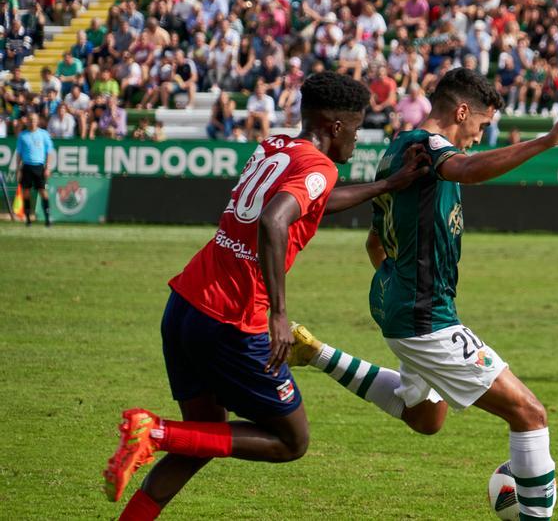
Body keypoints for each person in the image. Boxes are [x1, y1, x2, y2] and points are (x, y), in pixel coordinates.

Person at [101, 72, 434, 519]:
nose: (357, 140)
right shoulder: (320, 165)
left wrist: (386, 187)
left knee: (201, 439)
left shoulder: (277, 146)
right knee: (291, 441)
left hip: (185, 304)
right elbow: (276, 219)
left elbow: (312, 201)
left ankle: (155, 450)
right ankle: (155, 431)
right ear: (336, 126)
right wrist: (279, 313)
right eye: (355, 130)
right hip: (232, 318)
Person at [285, 68, 558, 521]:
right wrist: (546, 141)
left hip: (398, 306)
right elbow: (466, 169)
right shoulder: (426, 149)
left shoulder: (396, 149)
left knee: (426, 419)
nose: (478, 137)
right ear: (461, 112)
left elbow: (375, 242)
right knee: (530, 414)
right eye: (480, 126)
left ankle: (317, 353)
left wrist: (399, 283)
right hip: (426, 317)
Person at [15, 114, 55, 227]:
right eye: (30, 120)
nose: (32, 122)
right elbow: (19, 153)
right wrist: (18, 169)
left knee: (43, 192)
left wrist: (48, 167)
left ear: (38, 121)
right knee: (26, 193)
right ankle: (28, 218)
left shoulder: (43, 134)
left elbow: (49, 152)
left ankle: (48, 219)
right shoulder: (23, 135)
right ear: (27, 121)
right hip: (27, 166)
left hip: (39, 167)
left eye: (34, 120)